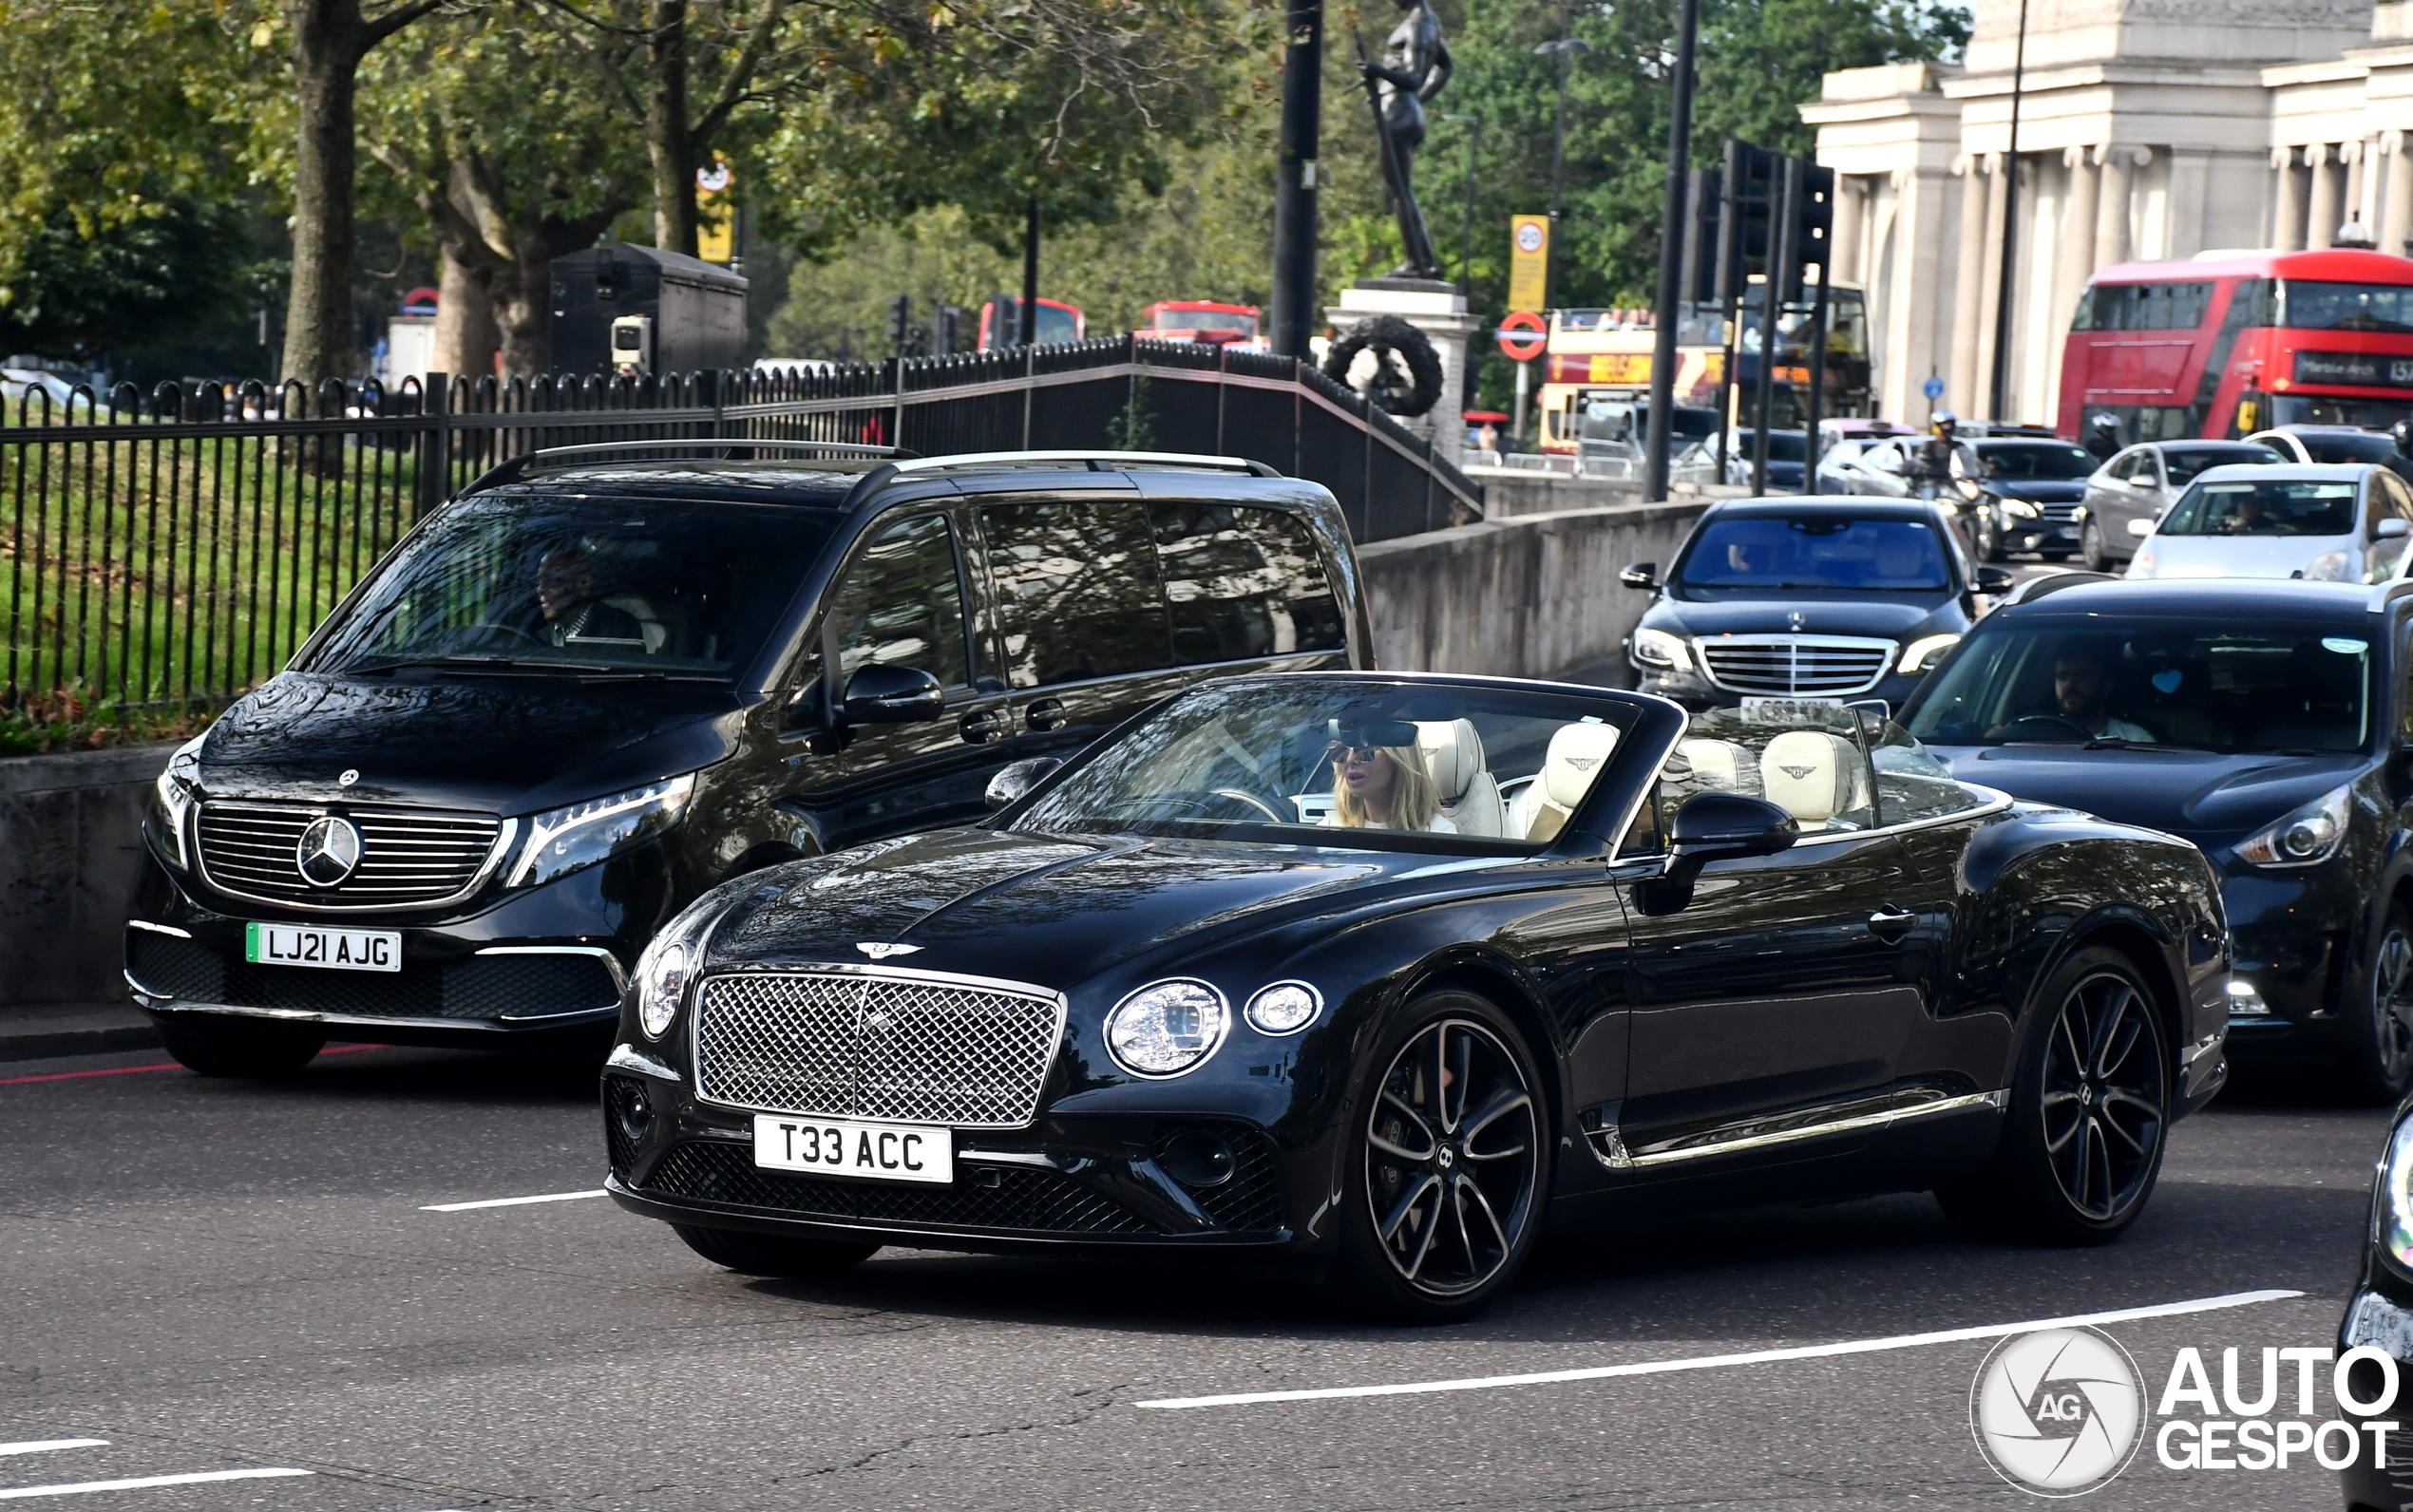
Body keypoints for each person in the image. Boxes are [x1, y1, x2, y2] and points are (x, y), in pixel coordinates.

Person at [536, 544, 666, 653]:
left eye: (551, 581)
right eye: (540, 581)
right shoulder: (534, 635)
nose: (540, 589)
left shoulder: (620, 630)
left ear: (584, 583)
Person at [1325, 741, 1456, 832]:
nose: (1350, 759)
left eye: (1367, 749)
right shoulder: (1328, 829)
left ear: (1399, 758)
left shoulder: (1439, 835)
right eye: (1341, 749)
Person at [2048, 647, 2154, 742]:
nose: (2069, 684)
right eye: (2062, 676)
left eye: (2081, 676)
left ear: (2105, 686)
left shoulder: (2135, 739)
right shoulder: (2041, 735)